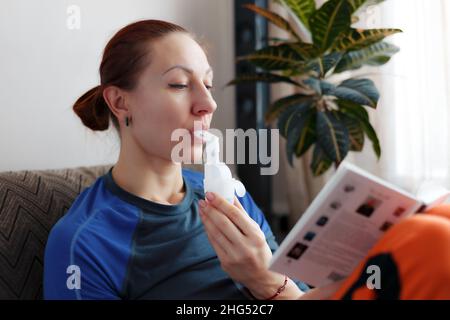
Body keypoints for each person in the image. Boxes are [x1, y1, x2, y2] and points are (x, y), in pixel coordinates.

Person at [44, 19, 316, 300]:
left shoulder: (230, 198)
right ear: (120, 103)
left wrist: (266, 281)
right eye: (179, 84)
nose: (209, 104)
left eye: (208, 84)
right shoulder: (84, 242)